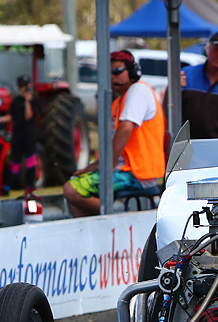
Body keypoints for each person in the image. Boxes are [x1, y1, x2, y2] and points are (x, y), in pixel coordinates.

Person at [63, 50, 165, 217]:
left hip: (137, 173)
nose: (112, 77)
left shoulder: (138, 90)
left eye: (117, 71)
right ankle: (99, 228)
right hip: (125, 170)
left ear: (133, 72)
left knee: (71, 190)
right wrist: (97, 165)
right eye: (108, 73)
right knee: (74, 187)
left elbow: (125, 128)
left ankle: (117, 216)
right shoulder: (119, 102)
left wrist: (106, 164)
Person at [0, 75, 40, 196]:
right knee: (14, 162)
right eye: (21, 86)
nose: (24, 88)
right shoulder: (16, 100)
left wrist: (27, 101)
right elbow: (11, 116)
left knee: (30, 161)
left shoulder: (34, 101)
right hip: (17, 136)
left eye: (25, 86)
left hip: (29, 136)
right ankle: (7, 187)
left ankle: (29, 187)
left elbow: (29, 116)